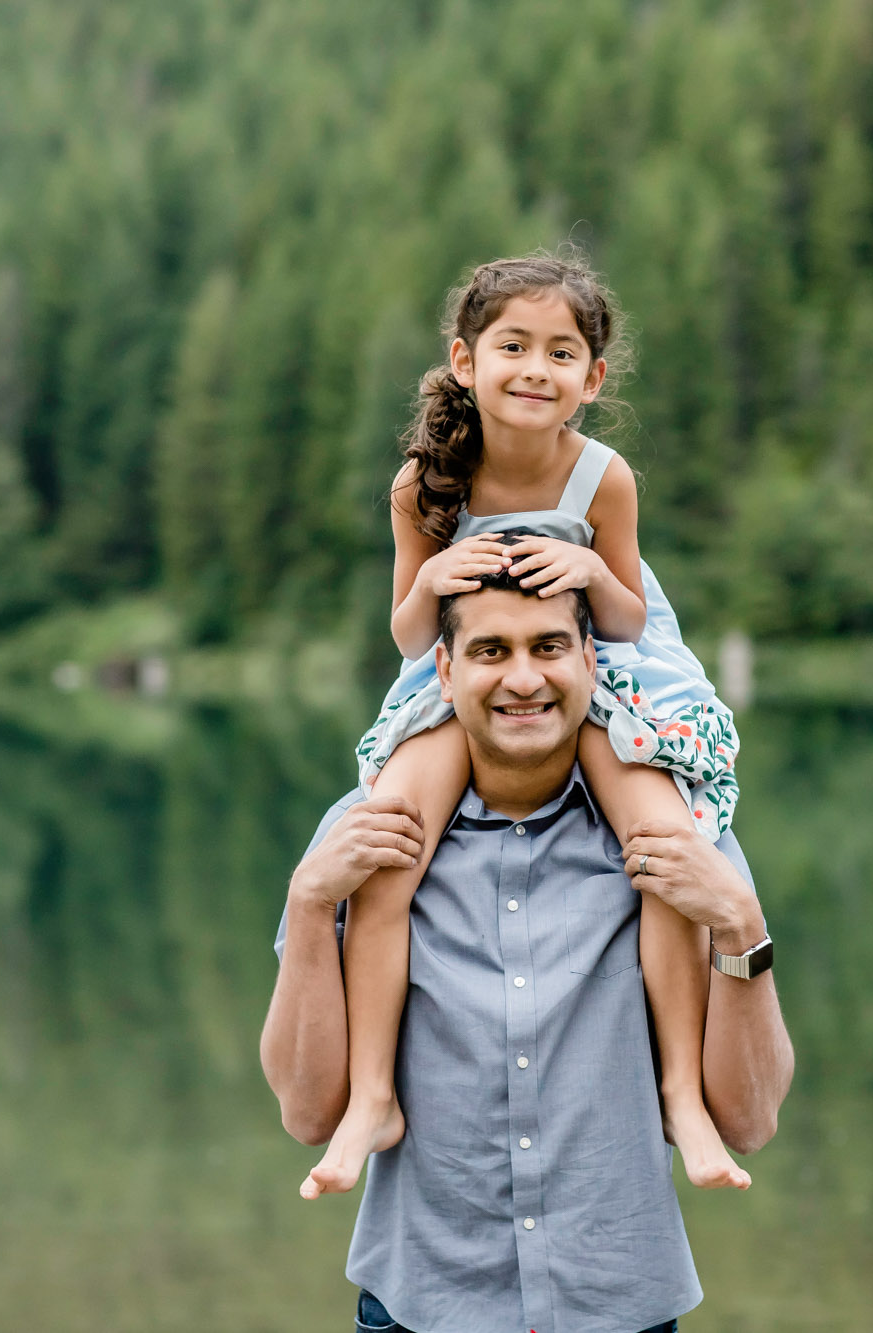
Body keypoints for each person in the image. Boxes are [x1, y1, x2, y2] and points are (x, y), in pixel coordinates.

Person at [302, 251, 752, 1203]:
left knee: (662, 844)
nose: (534, 369)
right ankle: (372, 1095)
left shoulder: (603, 476)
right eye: (513, 346)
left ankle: (681, 1091)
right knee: (392, 840)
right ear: (466, 360)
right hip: (461, 664)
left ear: (591, 381)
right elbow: (409, 632)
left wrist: (592, 579)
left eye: (561, 352)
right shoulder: (423, 483)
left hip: (605, 663)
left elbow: (631, 620)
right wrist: (431, 578)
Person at [260, 565, 793, 1333]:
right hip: (418, 1307)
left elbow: (749, 1123)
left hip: (623, 1308)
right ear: (445, 670)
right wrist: (310, 905)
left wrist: (743, 925)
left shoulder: (678, 842)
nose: (522, 678)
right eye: (489, 650)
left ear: (588, 660)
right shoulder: (369, 836)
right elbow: (310, 1113)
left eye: (548, 646)